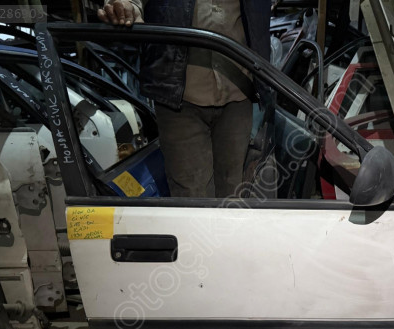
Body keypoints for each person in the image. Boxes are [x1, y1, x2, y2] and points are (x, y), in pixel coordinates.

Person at [99, 0, 271, 198]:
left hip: (238, 92)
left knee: (232, 191)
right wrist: (127, 6)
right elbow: (128, 3)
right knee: (191, 196)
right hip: (179, 97)